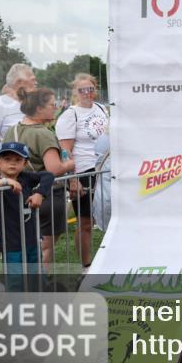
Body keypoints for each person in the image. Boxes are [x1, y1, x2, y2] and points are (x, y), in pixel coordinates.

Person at [0, 63, 37, 294]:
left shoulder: (27, 107)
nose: (36, 82)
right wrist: (5, 174)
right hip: (5, 179)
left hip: (24, 177)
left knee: (21, 225)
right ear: (19, 83)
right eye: (33, 78)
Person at [5, 87, 75, 269]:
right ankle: (39, 287)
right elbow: (54, 169)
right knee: (46, 247)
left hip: (20, 194)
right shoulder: (43, 134)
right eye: (52, 105)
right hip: (47, 195)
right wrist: (70, 164)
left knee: (25, 247)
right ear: (39, 109)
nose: (56, 107)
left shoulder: (12, 130)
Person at [0, 142, 54, 291]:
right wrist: (5, 181)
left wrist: (40, 193)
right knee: (16, 282)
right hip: (12, 245)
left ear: (25, 163)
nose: (12, 163)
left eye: (18, 160)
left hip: (32, 242)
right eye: (7, 159)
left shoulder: (26, 178)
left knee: (36, 278)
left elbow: (48, 175)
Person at [55, 74, 109, 271]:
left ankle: (109, 259)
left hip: (105, 170)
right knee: (86, 222)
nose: (87, 93)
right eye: (82, 90)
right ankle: (86, 265)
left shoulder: (102, 108)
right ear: (75, 93)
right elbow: (65, 151)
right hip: (84, 171)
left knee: (109, 217)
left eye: (91, 89)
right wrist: (73, 180)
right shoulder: (71, 114)